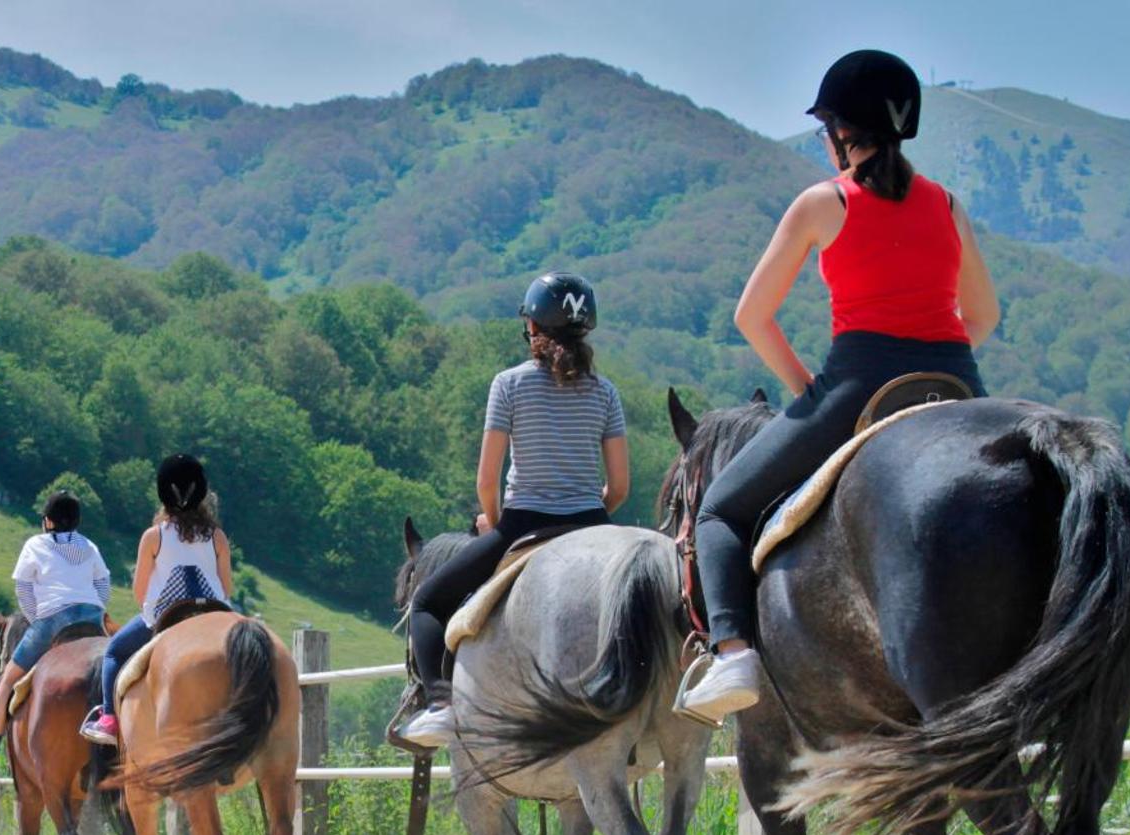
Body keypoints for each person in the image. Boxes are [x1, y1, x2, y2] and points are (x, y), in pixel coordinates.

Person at [676, 50, 998, 723]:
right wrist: (936, 354)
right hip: (957, 384)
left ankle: (732, 651)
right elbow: (984, 317)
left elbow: (751, 316)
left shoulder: (825, 203)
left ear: (837, 133)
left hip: (857, 382)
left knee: (720, 513)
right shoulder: (947, 204)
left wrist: (807, 390)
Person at [397, 272, 629, 747]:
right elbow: (620, 486)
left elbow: (487, 482)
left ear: (534, 330)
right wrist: (591, 514)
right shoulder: (605, 393)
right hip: (592, 523)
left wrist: (496, 523)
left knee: (427, 603)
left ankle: (441, 705)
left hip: (524, 521)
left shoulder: (508, 385)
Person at [82, 456, 231, 746]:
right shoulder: (218, 537)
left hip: (166, 617)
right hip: (214, 616)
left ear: (164, 495)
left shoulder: (154, 536)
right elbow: (226, 588)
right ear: (202, 495)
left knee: (113, 651)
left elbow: (140, 593)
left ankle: (110, 720)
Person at [0, 492, 112, 763]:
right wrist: (95, 609)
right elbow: (103, 585)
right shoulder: (89, 545)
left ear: (48, 522)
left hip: (53, 618)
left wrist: (37, 617)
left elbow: (23, 588)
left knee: (7, 680)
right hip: (92, 615)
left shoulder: (35, 544)